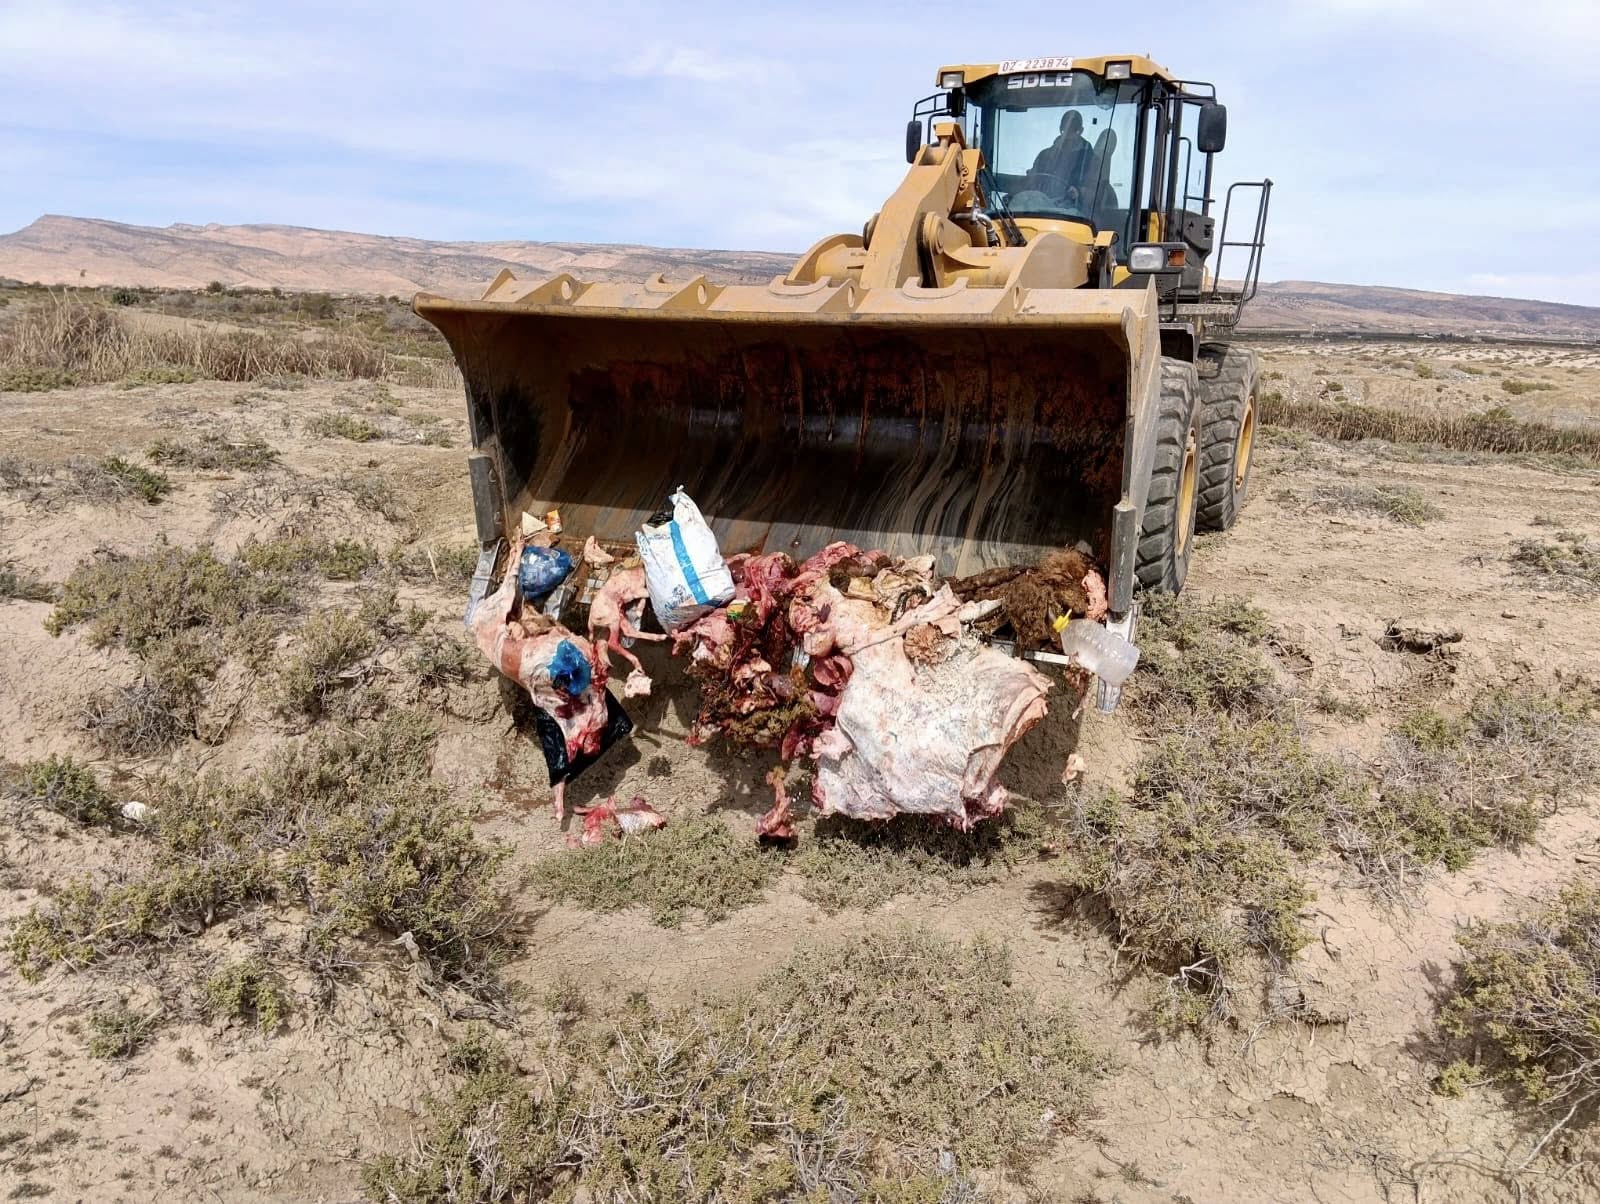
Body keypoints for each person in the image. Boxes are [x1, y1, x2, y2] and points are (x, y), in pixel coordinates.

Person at [1025, 110, 1093, 205]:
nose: (1069, 134)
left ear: (1081, 131)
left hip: (1074, 213)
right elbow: (1031, 182)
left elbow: (1095, 192)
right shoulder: (1044, 156)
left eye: (1074, 130)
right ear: (1060, 129)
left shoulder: (1090, 159)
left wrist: (1079, 192)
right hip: (1041, 207)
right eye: (1065, 130)